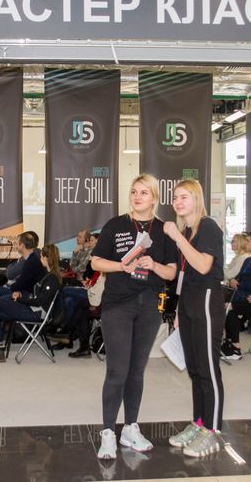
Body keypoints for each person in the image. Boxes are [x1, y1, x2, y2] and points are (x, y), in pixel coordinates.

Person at [91, 174, 177, 460]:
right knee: (117, 371)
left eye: (144, 192)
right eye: (134, 192)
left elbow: (172, 273)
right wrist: (121, 266)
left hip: (150, 306)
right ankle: (108, 432)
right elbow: (95, 261)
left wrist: (154, 265)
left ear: (154, 198)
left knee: (137, 371)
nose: (137, 197)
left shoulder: (164, 230)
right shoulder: (115, 225)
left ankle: (130, 427)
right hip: (117, 305)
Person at [163, 179, 227, 458]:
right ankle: (199, 423)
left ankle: (212, 431)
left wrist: (177, 238)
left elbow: (202, 266)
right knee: (195, 370)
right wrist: (179, 308)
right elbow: (184, 273)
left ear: (196, 199)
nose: (178, 202)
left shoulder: (208, 227)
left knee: (208, 369)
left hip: (206, 299)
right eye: (175, 197)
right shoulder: (187, 231)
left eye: (184, 197)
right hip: (188, 301)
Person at [0, 243, 62, 363]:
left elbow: (39, 301)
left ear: (46, 258)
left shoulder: (52, 280)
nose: (40, 258)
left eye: (41, 256)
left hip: (36, 313)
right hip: (32, 308)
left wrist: (19, 299)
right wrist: (21, 295)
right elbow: (36, 296)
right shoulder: (47, 275)